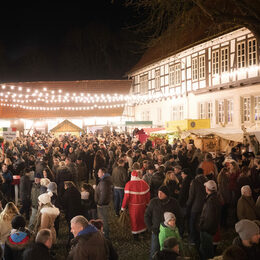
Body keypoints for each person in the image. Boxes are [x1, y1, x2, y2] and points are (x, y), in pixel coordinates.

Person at [145, 185, 182, 259]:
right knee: (154, 250)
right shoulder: (153, 202)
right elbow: (147, 215)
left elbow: (180, 216)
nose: (159, 194)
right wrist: (151, 228)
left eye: (162, 193)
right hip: (156, 231)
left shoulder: (174, 203)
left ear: (167, 194)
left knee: (171, 252)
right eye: (158, 192)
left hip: (170, 231)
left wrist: (179, 229)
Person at [121, 170, 150, 240]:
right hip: (142, 205)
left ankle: (135, 235)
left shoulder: (128, 184)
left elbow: (126, 197)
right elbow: (147, 196)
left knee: (134, 220)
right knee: (142, 218)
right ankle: (143, 232)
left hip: (133, 206)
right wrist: (147, 204)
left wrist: (123, 207)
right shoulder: (144, 183)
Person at [199, 180, 221, 260]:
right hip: (211, 228)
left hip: (207, 229)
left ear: (207, 189)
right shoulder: (215, 198)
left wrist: (203, 227)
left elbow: (208, 217)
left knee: (206, 249)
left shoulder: (210, 201)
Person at [186, 167, 207, 246]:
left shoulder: (194, 182)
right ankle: (203, 238)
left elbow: (191, 196)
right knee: (202, 222)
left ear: (196, 173)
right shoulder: (207, 181)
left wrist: (188, 204)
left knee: (192, 222)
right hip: (205, 205)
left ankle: (193, 239)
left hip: (196, 206)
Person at [94, 168, 113, 239]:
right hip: (104, 203)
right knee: (103, 219)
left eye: (99, 172)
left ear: (103, 173)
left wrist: (99, 203)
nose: (97, 173)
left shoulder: (104, 182)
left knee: (103, 220)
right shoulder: (104, 181)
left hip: (102, 204)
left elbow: (104, 194)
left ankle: (105, 235)